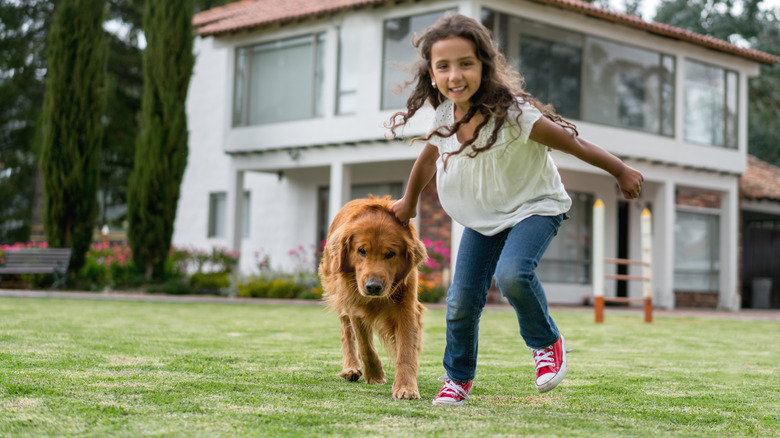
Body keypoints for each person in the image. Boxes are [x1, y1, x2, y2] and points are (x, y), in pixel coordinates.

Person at [387, 13, 644, 406]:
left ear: (485, 67)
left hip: (534, 208)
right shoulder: (443, 117)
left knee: (512, 275)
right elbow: (425, 162)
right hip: (483, 219)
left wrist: (620, 170)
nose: (455, 75)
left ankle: (547, 343)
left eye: (466, 63)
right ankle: (457, 379)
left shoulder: (515, 115)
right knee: (460, 303)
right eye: (444, 66)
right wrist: (409, 201)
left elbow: (575, 144)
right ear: (432, 75)